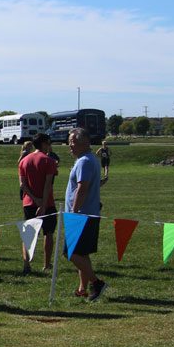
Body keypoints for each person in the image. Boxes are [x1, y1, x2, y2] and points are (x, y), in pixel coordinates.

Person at [65, 128, 106, 301]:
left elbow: (82, 188)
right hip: (87, 213)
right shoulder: (89, 160)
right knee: (82, 254)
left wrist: (74, 211)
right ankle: (82, 288)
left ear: (85, 142)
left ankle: (97, 283)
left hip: (81, 215)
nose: (70, 146)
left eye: (72, 142)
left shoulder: (84, 162)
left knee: (72, 253)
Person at [18, 133, 58, 275]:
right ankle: (46, 264)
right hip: (47, 203)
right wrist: (42, 203)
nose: (49, 146)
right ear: (44, 144)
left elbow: (22, 185)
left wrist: (34, 199)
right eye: (48, 143)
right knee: (48, 233)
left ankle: (26, 264)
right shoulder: (49, 161)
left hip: (28, 202)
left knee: (28, 234)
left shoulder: (24, 161)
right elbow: (48, 185)